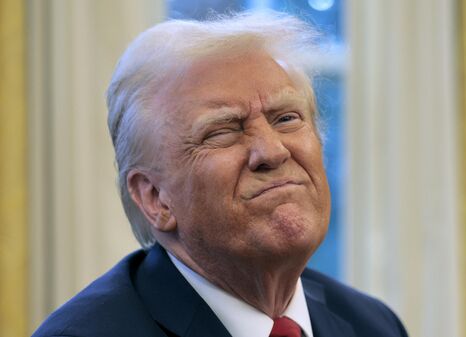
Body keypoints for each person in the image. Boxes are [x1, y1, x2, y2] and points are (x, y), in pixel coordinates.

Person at [33, 11, 409, 337]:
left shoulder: (372, 324)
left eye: (286, 119)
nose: (273, 151)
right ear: (154, 198)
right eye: (223, 130)